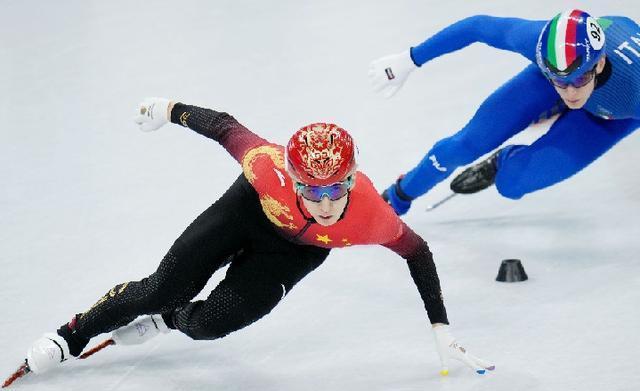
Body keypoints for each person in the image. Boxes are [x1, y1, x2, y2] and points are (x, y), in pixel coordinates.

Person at [19, 98, 494, 382]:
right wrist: (169, 109)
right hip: (245, 211)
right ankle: (72, 334)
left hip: (294, 254)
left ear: (351, 180)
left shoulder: (371, 215)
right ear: (293, 180)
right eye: (312, 189)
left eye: (336, 189)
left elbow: (417, 251)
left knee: (209, 326)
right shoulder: (266, 166)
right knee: (165, 284)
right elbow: (225, 127)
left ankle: (171, 321)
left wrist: (440, 326)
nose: (326, 203)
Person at [369, 10, 640, 215]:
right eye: (560, 82)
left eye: (578, 80)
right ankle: (398, 196)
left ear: (600, 62)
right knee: (462, 146)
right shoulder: (540, 42)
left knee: (511, 183)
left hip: (615, 113)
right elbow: (477, 27)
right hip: (554, 84)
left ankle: (502, 161)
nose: (570, 92)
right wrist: (409, 59)